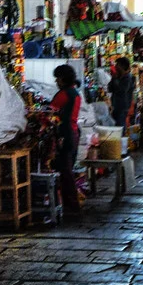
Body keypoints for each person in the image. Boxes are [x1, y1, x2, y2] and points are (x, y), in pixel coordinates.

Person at [48, 63, 86, 213]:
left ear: (63, 79)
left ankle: (71, 203)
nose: (56, 82)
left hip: (65, 133)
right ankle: (69, 201)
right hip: (74, 132)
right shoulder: (75, 93)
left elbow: (50, 112)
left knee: (65, 169)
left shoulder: (63, 94)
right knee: (67, 167)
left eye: (57, 78)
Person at [107, 56, 136, 133]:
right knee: (116, 126)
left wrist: (115, 79)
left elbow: (122, 90)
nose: (115, 66)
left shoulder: (128, 78)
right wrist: (114, 78)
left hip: (122, 107)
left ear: (122, 66)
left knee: (120, 126)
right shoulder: (117, 77)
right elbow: (110, 88)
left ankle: (121, 142)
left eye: (117, 65)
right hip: (115, 106)